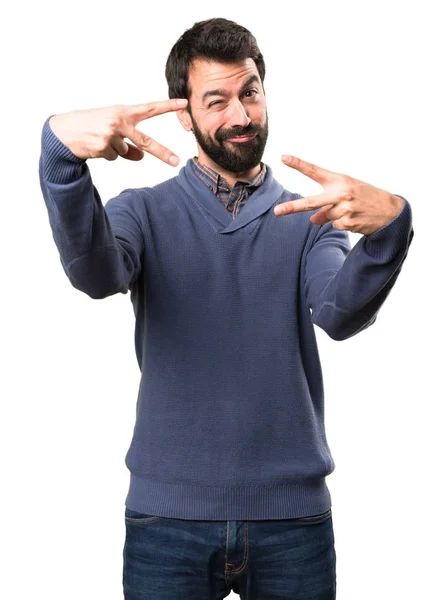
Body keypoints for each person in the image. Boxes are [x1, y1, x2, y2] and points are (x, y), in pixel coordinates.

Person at [38, 16, 413, 600]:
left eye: (251, 93)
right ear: (184, 112)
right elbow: (94, 274)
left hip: (293, 522)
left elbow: (339, 314)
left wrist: (390, 229)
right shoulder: (141, 211)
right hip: (167, 521)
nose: (240, 116)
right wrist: (62, 160)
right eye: (217, 101)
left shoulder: (309, 218)